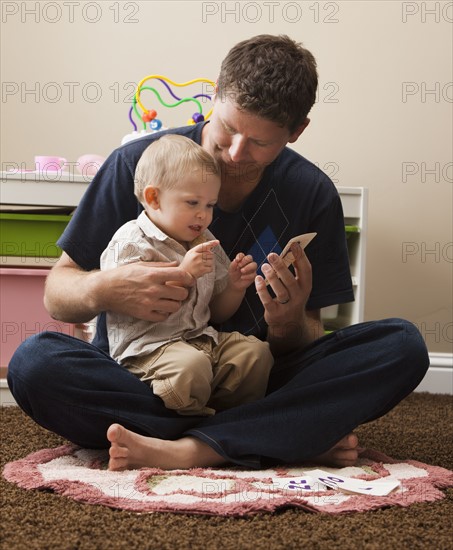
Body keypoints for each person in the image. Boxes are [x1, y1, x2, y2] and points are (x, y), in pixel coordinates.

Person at [8, 34, 429, 472]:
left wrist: (286, 321)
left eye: (260, 143)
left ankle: (192, 448)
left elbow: (303, 342)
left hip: (249, 376)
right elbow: (58, 293)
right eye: (228, 128)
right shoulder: (138, 165)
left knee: (402, 346)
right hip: (141, 373)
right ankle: (277, 437)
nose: (235, 153)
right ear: (215, 95)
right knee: (34, 364)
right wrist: (105, 287)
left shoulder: (312, 193)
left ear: (297, 131)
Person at [100, 135, 273, 416]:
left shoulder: (204, 240)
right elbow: (135, 300)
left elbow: (216, 313)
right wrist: (184, 274)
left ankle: (233, 417)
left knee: (255, 354)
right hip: (149, 350)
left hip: (201, 341)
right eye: (192, 203)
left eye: (210, 205)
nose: (203, 215)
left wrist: (234, 286)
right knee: (190, 368)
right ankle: (185, 422)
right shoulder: (131, 241)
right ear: (154, 198)